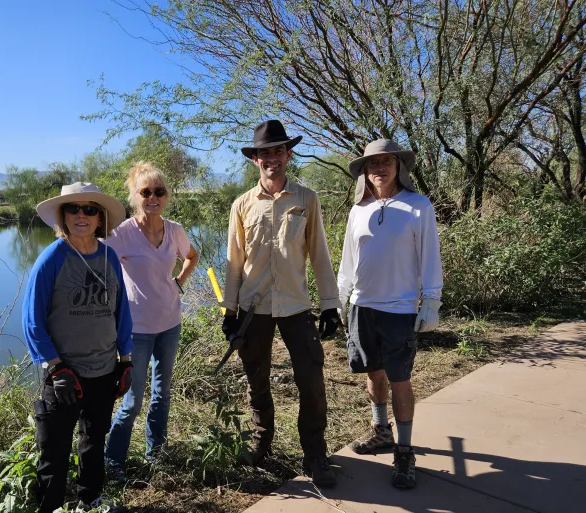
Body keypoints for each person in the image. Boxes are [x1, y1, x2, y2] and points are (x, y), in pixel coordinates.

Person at [22, 182, 134, 513]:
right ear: (63, 218)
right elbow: (32, 320)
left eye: (90, 209)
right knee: (52, 457)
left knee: (94, 440)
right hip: (63, 376)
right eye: (73, 210)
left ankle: (91, 502)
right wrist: (55, 367)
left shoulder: (109, 257)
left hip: (105, 370)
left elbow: (122, 312)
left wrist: (126, 359)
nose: (82, 215)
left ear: (100, 217)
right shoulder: (52, 258)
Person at [222, 119, 341, 488]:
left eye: (277, 150)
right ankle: (261, 442)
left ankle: (315, 454)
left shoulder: (307, 199)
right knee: (256, 378)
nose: (271, 158)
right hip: (253, 308)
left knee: (311, 380)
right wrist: (229, 311)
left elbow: (319, 254)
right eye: (264, 153)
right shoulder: (242, 205)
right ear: (255, 159)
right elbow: (234, 260)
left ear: (288, 154)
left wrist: (330, 304)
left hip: (296, 306)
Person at [337, 139, 443, 489]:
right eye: (372, 164)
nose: (379, 169)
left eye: (386, 162)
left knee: (400, 379)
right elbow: (349, 261)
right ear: (364, 172)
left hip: (399, 309)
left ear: (399, 167)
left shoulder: (418, 206)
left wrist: (431, 301)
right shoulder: (358, 210)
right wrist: (341, 297)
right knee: (372, 371)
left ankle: (405, 450)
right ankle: (381, 432)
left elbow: (430, 257)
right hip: (363, 306)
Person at [104, 163, 199, 480]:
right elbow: (100, 264)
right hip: (137, 331)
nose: (153, 197)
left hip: (170, 324)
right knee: (132, 399)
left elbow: (191, 256)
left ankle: (154, 454)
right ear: (135, 196)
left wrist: (179, 282)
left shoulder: (174, 230)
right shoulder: (123, 234)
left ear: (166, 196)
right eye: (146, 192)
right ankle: (113, 461)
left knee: (162, 394)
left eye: (159, 191)